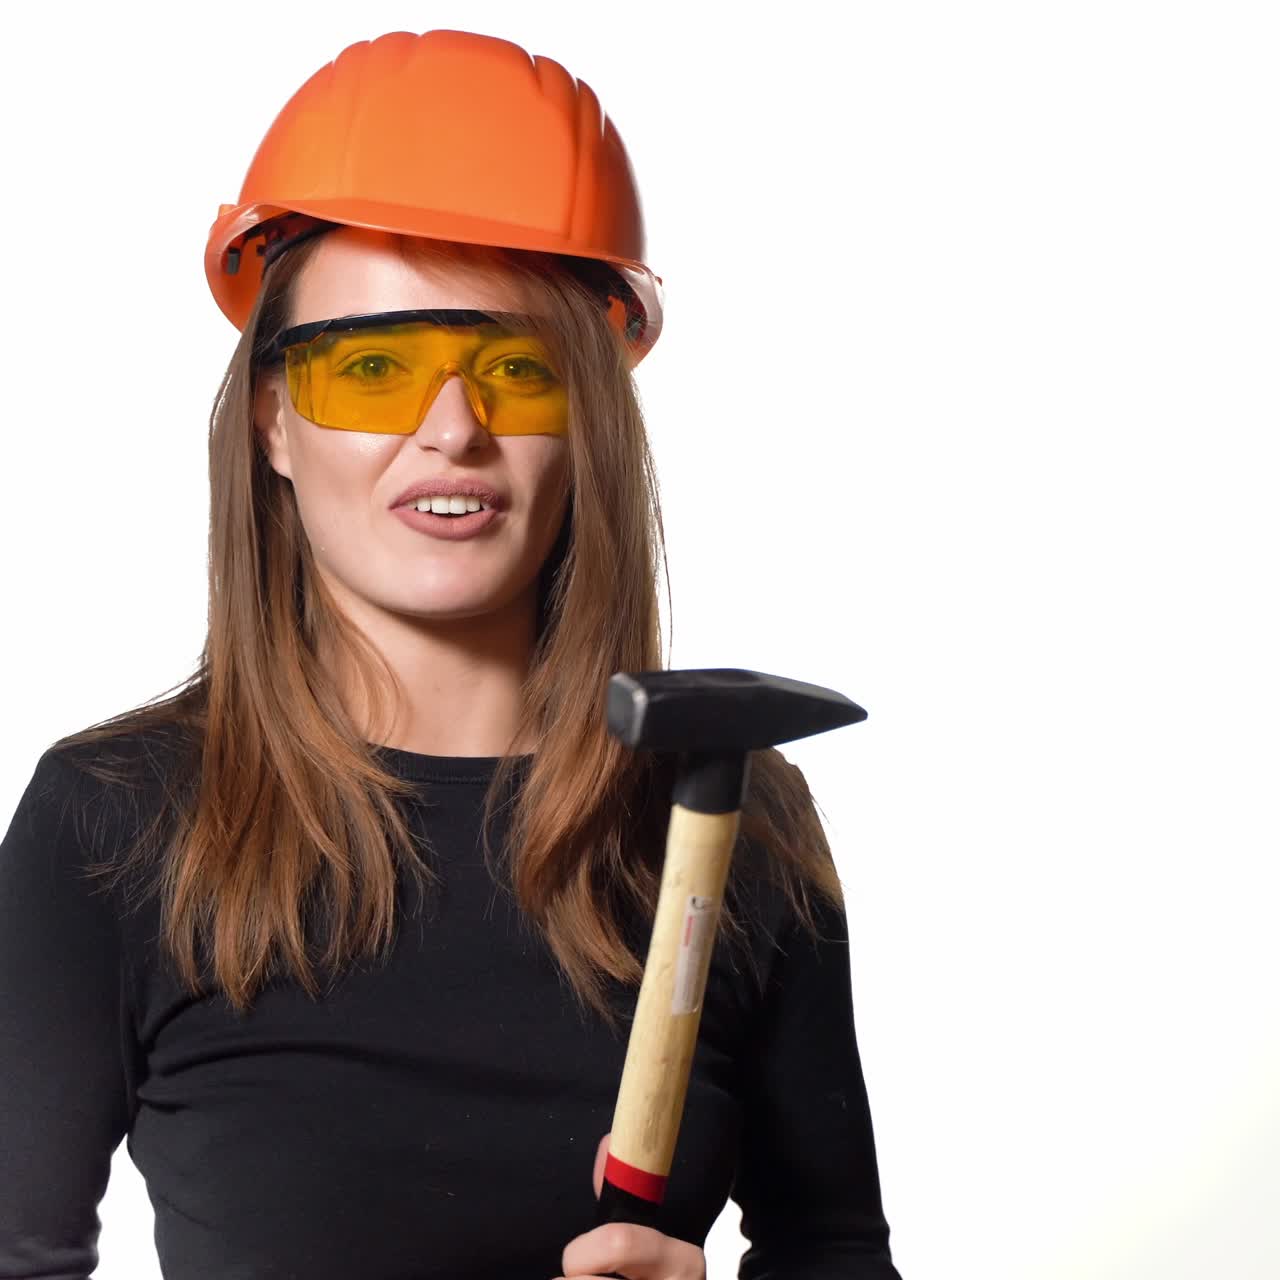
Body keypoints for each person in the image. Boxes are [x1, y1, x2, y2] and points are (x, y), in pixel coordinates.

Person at [0, 27, 902, 1280]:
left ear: (586, 420)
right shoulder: (113, 823)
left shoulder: (725, 820)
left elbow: (833, 1253)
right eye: (374, 367)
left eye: (517, 369)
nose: (451, 431)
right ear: (272, 417)